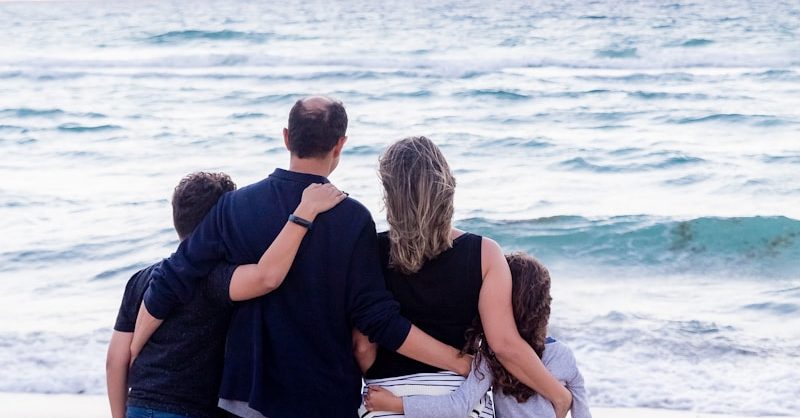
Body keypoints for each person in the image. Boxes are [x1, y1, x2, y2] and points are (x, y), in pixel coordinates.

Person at [131, 97, 471, 418]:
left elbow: (174, 278)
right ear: (340, 144)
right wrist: (460, 362)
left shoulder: (235, 207)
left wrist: (132, 350)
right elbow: (377, 319)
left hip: (246, 395)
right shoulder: (352, 218)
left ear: (286, 137)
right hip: (323, 396)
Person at [353, 137, 572, 418]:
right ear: (446, 187)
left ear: (389, 194)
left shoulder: (368, 251)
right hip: (462, 401)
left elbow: (363, 349)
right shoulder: (485, 253)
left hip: (385, 401)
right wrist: (558, 394)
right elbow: (505, 345)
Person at [106, 172, 347, 418]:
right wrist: (304, 213)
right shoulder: (216, 278)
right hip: (188, 410)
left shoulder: (141, 279)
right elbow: (267, 277)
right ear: (224, 220)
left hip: (138, 406)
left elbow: (116, 359)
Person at [363, 253, 592, 418]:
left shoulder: (492, 359)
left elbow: (457, 406)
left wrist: (397, 404)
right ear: (545, 306)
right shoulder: (564, 356)